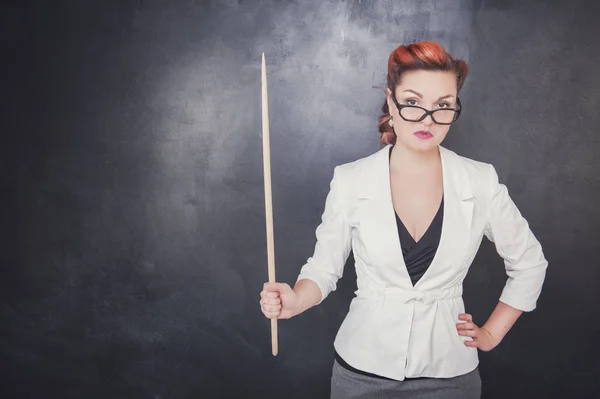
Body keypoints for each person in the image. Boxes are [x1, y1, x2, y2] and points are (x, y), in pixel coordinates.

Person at [259, 40, 548, 399]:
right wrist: (295, 300)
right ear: (391, 102)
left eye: (442, 106)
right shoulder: (351, 179)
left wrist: (491, 333)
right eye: (413, 103)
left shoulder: (480, 180)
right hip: (361, 374)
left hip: (451, 376)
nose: (428, 119)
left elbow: (530, 263)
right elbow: (324, 269)